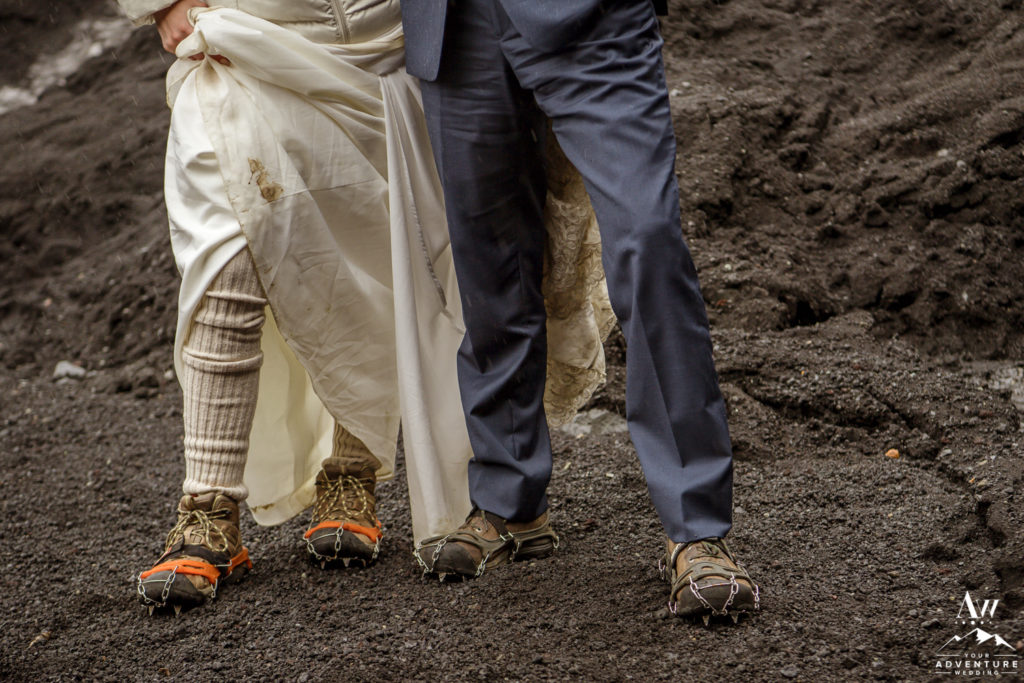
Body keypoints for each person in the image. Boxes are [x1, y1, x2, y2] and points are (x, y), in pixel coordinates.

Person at [117, 0, 612, 613]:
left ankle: (352, 472)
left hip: (390, 42)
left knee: (374, 259)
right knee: (227, 270)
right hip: (248, 36)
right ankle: (207, 507)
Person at [402, 0, 761, 621]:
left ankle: (696, 529)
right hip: (453, 22)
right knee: (488, 261)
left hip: (595, 20)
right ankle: (511, 502)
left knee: (647, 241)